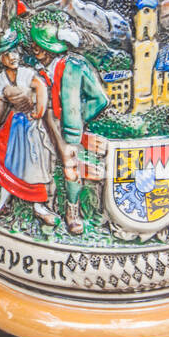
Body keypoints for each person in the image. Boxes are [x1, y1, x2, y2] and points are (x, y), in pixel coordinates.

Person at [0, 24, 59, 226]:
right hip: (15, 126)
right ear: (1, 57)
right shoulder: (2, 79)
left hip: (30, 126)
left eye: (15, 52)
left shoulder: (26, 73)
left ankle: (39, 207)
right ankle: (1, 205)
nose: (13, 57)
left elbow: (40, 87)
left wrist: (38, 110)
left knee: (35, 165)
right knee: (10, 164)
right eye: (7, 53)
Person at [29, 19, 108, 235]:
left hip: (68, 127)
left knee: (70, 167)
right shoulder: (37, 70)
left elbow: (100, 99)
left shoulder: (77, 66)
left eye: (40, 45)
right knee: (40, 160)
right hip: (41, 122)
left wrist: (79, 117)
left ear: (51, 48)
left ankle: (72, 213)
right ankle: (42, 205)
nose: (35, 48)